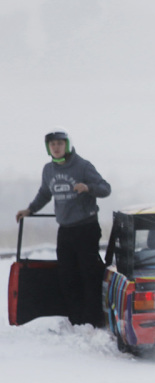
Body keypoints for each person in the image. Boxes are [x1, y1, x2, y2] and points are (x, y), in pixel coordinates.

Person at [14, 128, 112, 326]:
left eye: (60, 143)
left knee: (88, 274)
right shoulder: (48, 170)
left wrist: (88, 187)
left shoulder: (83, 166)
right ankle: (75, 319)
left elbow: (105, 188)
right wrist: (30, 210)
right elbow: (44, 193)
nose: (56, 147)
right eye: (52, 144)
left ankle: (93, 320)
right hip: (65, 230)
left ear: (67, 145)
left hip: (86, 228)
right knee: (67, 276)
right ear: (48, 148)